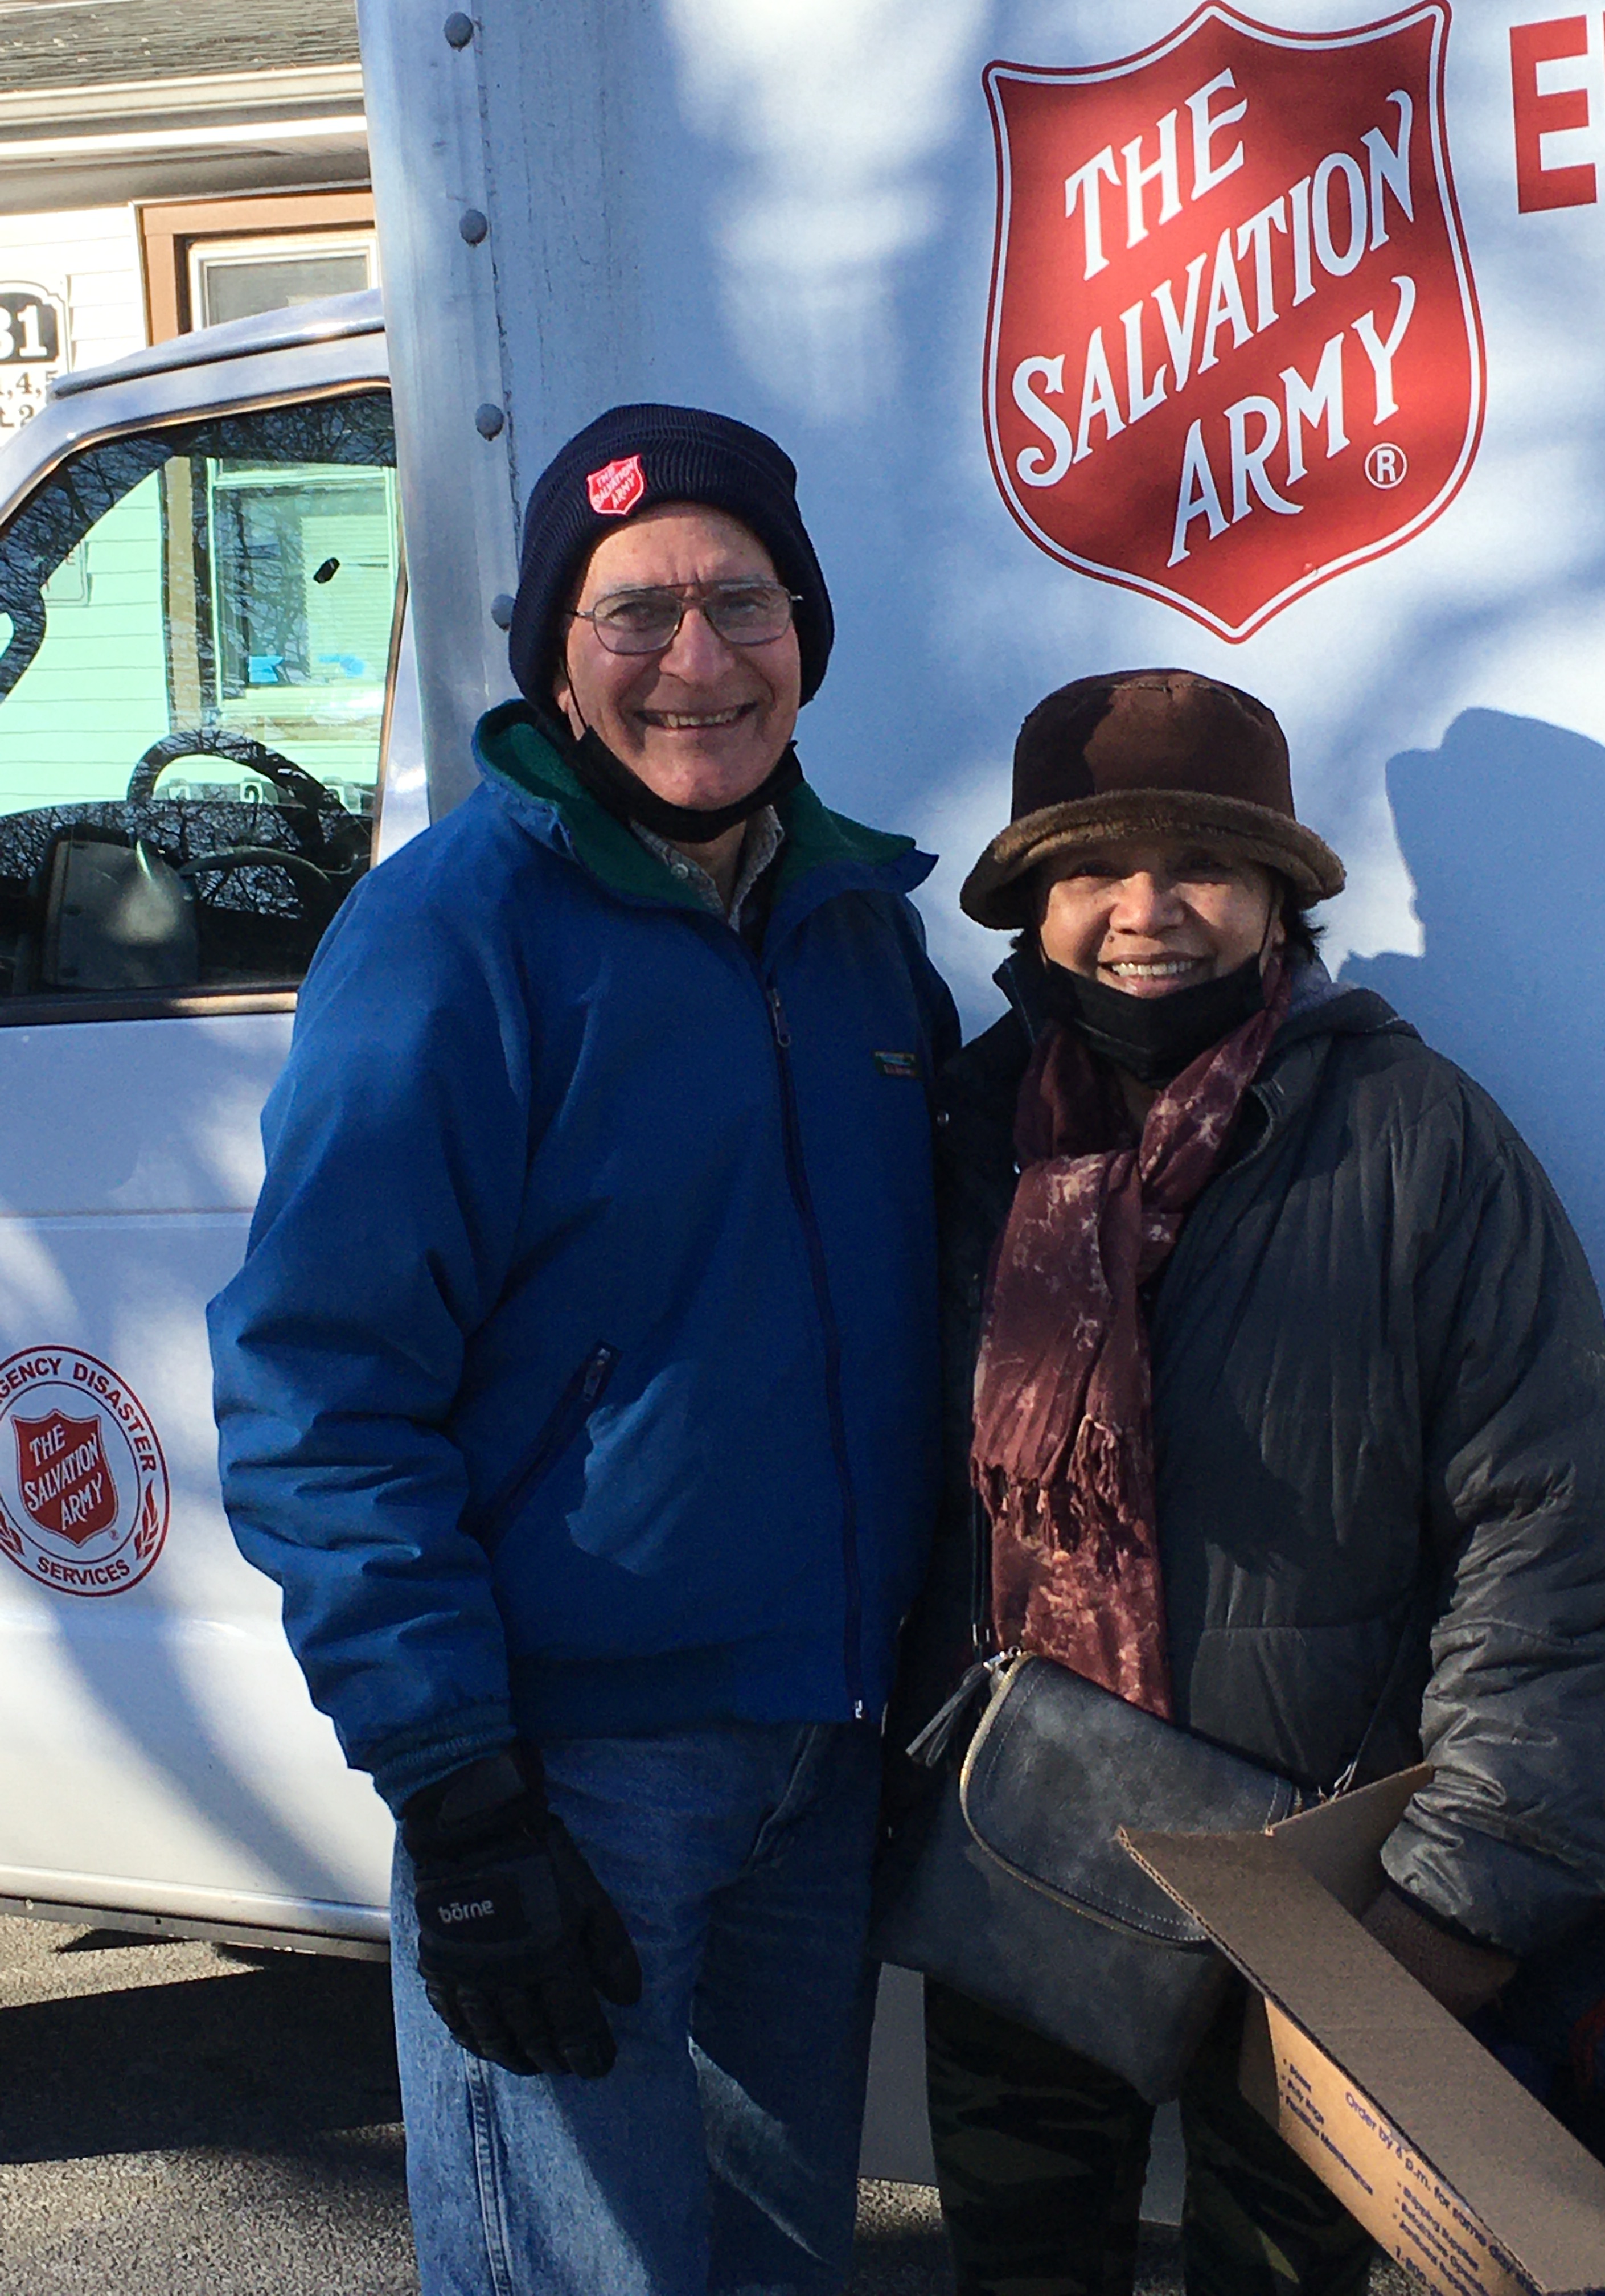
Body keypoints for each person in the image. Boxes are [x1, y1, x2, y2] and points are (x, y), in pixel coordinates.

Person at [207, 403, 957, 2296]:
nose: (695, 663)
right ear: (555, 650)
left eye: (743, 603)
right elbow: (320, 1393)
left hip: (819, 1743)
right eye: (633, 616)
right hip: (575, 1771)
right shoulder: (455, 937)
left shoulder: (860, 931)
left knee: (783, 2266)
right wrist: (456, 1791)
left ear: (809, 631)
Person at [886, 668, 1605, 2296]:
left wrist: (1462, 1893)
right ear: (1034, 899)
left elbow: (1547, 1533)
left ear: (1276, 897)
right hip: (1014, 1860)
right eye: (1093, 870)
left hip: (1323, 1891)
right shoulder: (954, 1135)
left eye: (1203, 869)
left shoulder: (1417, 1141)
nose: (1146, 912)